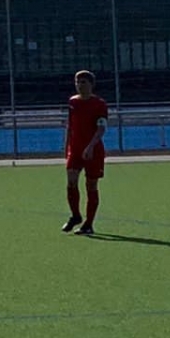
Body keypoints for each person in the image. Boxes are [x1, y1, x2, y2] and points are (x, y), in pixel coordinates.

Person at [63, 70, 109, 235]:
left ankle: (88, 224)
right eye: (77, 82)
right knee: (71, 180)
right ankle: (75, 215)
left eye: (83, 82)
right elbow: (70, 126)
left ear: (91, 84)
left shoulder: (99, 104)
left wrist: (90, 147)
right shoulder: (72, 102)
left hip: (93, 151)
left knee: (91, 185)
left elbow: (101, 128)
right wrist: (66, 147)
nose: (79, 85)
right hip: (75, 150)